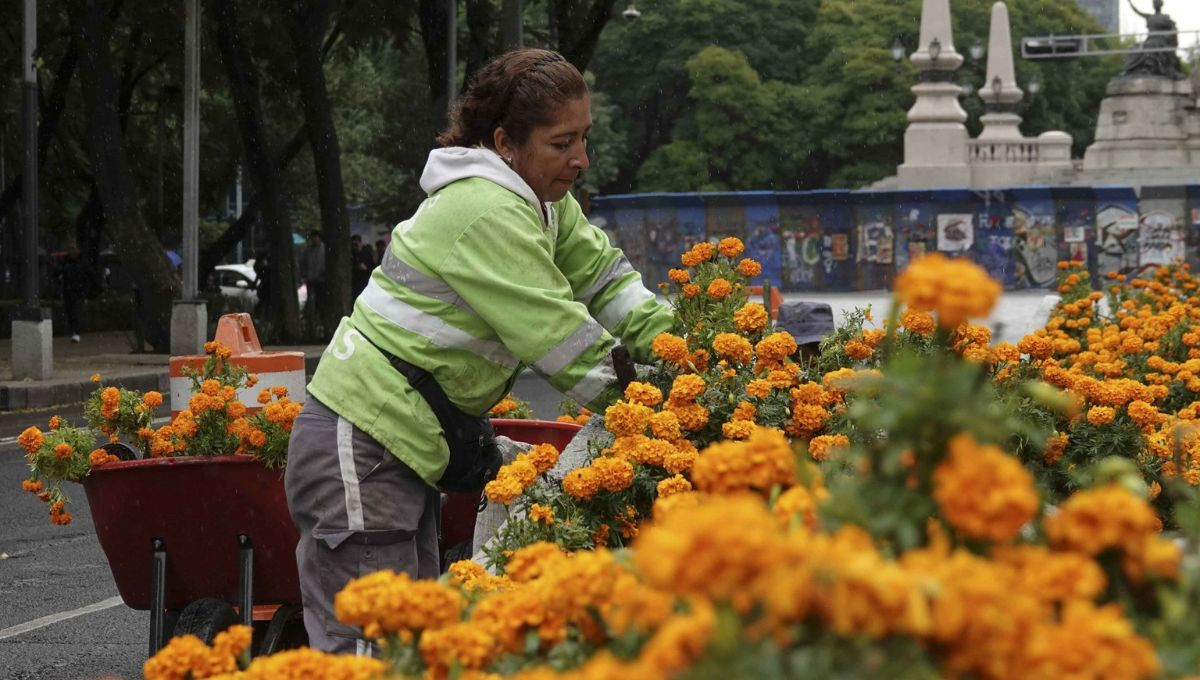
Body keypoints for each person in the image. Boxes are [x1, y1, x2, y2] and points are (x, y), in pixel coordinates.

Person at [285, 48, 672, 654]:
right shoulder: (484, 210)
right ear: (505, 142)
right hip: (362, 445)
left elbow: (609, 282)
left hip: (401, 448)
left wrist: (688, 350)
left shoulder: (544, 204)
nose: (581, 160)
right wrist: (669, 411)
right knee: (370, 654)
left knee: (412, 650)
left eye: (583, 139)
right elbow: (564, 341)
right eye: (561, 142)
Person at [59, 244, 90, 343]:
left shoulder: (81, 263)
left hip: (78, 292)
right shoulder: (66, 263)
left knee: (76, 312)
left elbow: (87, 277)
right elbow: (58, 272)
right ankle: (73, 331)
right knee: (70, 312)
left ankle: (76, 332)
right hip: (68, 291)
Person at [300, 230, 326, 337]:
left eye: (316, 237)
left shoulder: (324, 249)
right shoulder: (307, 250)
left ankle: (320, 324)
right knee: (311, 304)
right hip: (311, 280)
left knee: (321, 303)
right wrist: (305, 275)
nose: (314, 239)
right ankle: (311, 326)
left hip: (322, 281)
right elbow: (302, 264)